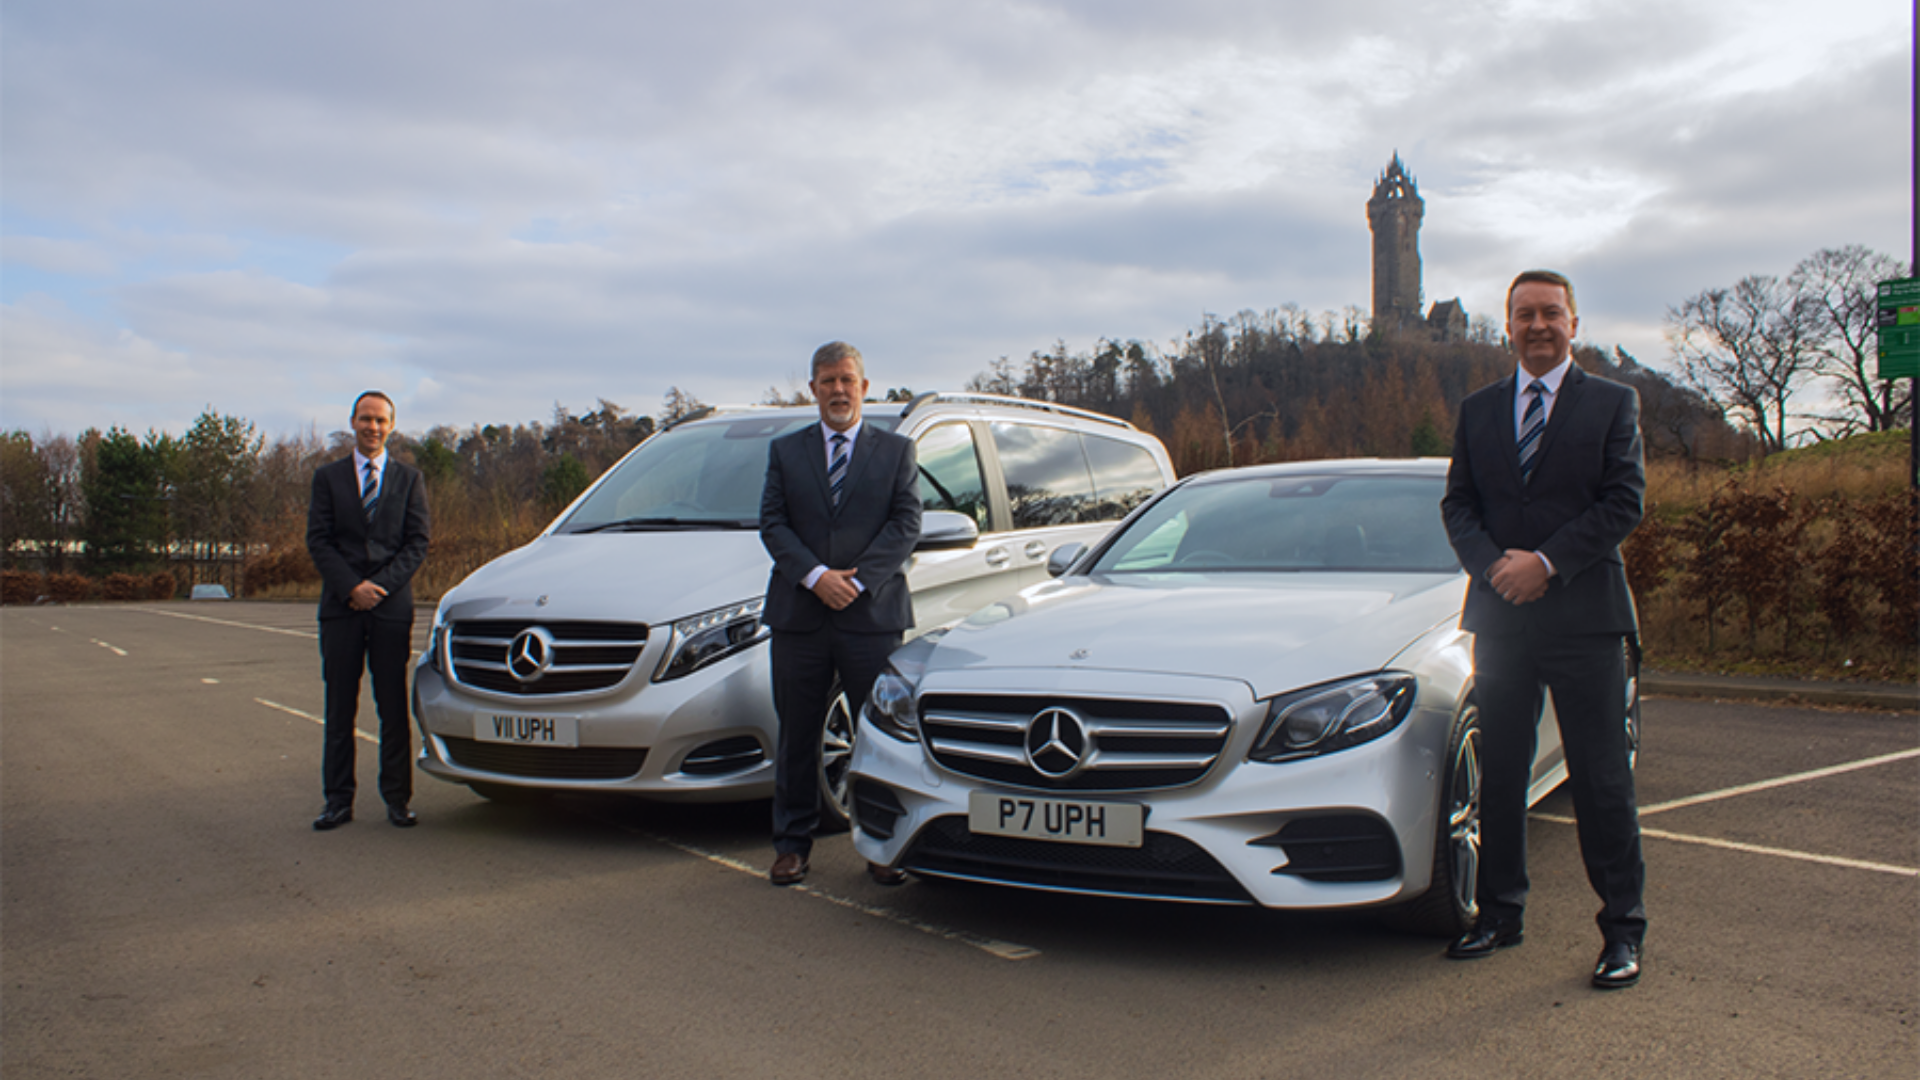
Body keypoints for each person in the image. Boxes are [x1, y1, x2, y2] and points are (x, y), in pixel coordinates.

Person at [1440, 270, 1648, 989]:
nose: (1538, 325)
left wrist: (1547, 564)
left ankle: (1622, 930)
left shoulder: (1613, 403)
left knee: (1600, 781)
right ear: (1507, 326)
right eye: (1524, 314)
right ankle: (1499, 914)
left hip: (1585, 621)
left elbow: (1625, 503)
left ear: (1573, 323)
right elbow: (1458, 506)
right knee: (1500, 775)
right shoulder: (1478, 410)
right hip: (1501, 619)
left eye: (1550, 313)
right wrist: (1497, 567)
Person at [760, 342, 922, 886]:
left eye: (847, 380)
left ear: (864, 387)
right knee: (798, 734)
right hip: (799, 616)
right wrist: (815, 577)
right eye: (827, 381)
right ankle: (791, 845)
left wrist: (854, 581)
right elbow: (774, 525)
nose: (837, 390)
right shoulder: (786, 452)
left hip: (869, 615)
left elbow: (906, 524)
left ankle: (883, 848)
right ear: (812, 389)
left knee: (880, 737)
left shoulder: (897, 452)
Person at [307, 390, 432, 831]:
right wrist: (350, 587)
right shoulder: (328, 478)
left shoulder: (409, 479)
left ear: (391, 426)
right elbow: (318, 541)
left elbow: (417, 543)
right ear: (352, 422)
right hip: (341, 609)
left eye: (380, 420)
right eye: (365, 419)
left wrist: (378, 586)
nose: (372, 427)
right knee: (339, 708)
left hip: (389, 609)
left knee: (392, 707)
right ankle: (337, 801)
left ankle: (397, 799)